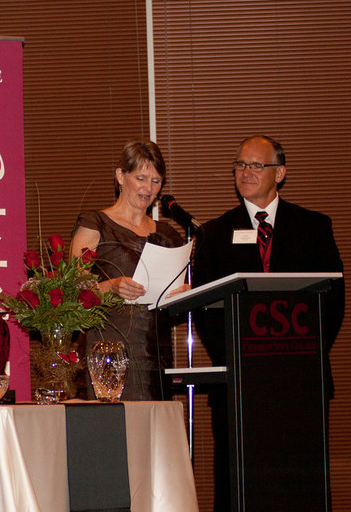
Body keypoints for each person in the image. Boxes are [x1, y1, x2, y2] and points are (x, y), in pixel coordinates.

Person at [192, 134, 344, 510]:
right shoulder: (214, 233)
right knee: (238, 486)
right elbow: (204, 308)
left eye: (256, 165)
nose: (245, 172)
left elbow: (334, 302)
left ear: (280, 173)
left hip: (300, 382)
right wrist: (235, 360)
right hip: (238, 383)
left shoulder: (314, 227)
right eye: (240, 165)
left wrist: (300, 357)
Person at [70, 139, 189, 400]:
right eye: (141, 178)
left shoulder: (168, 234)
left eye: (156, 181)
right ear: (120, 176)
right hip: (109, 348)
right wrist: (111, 286)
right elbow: (73, 293)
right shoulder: (96, 224)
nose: (148, 188)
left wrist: (183, 294)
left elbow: (181, 292)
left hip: (155, 350)